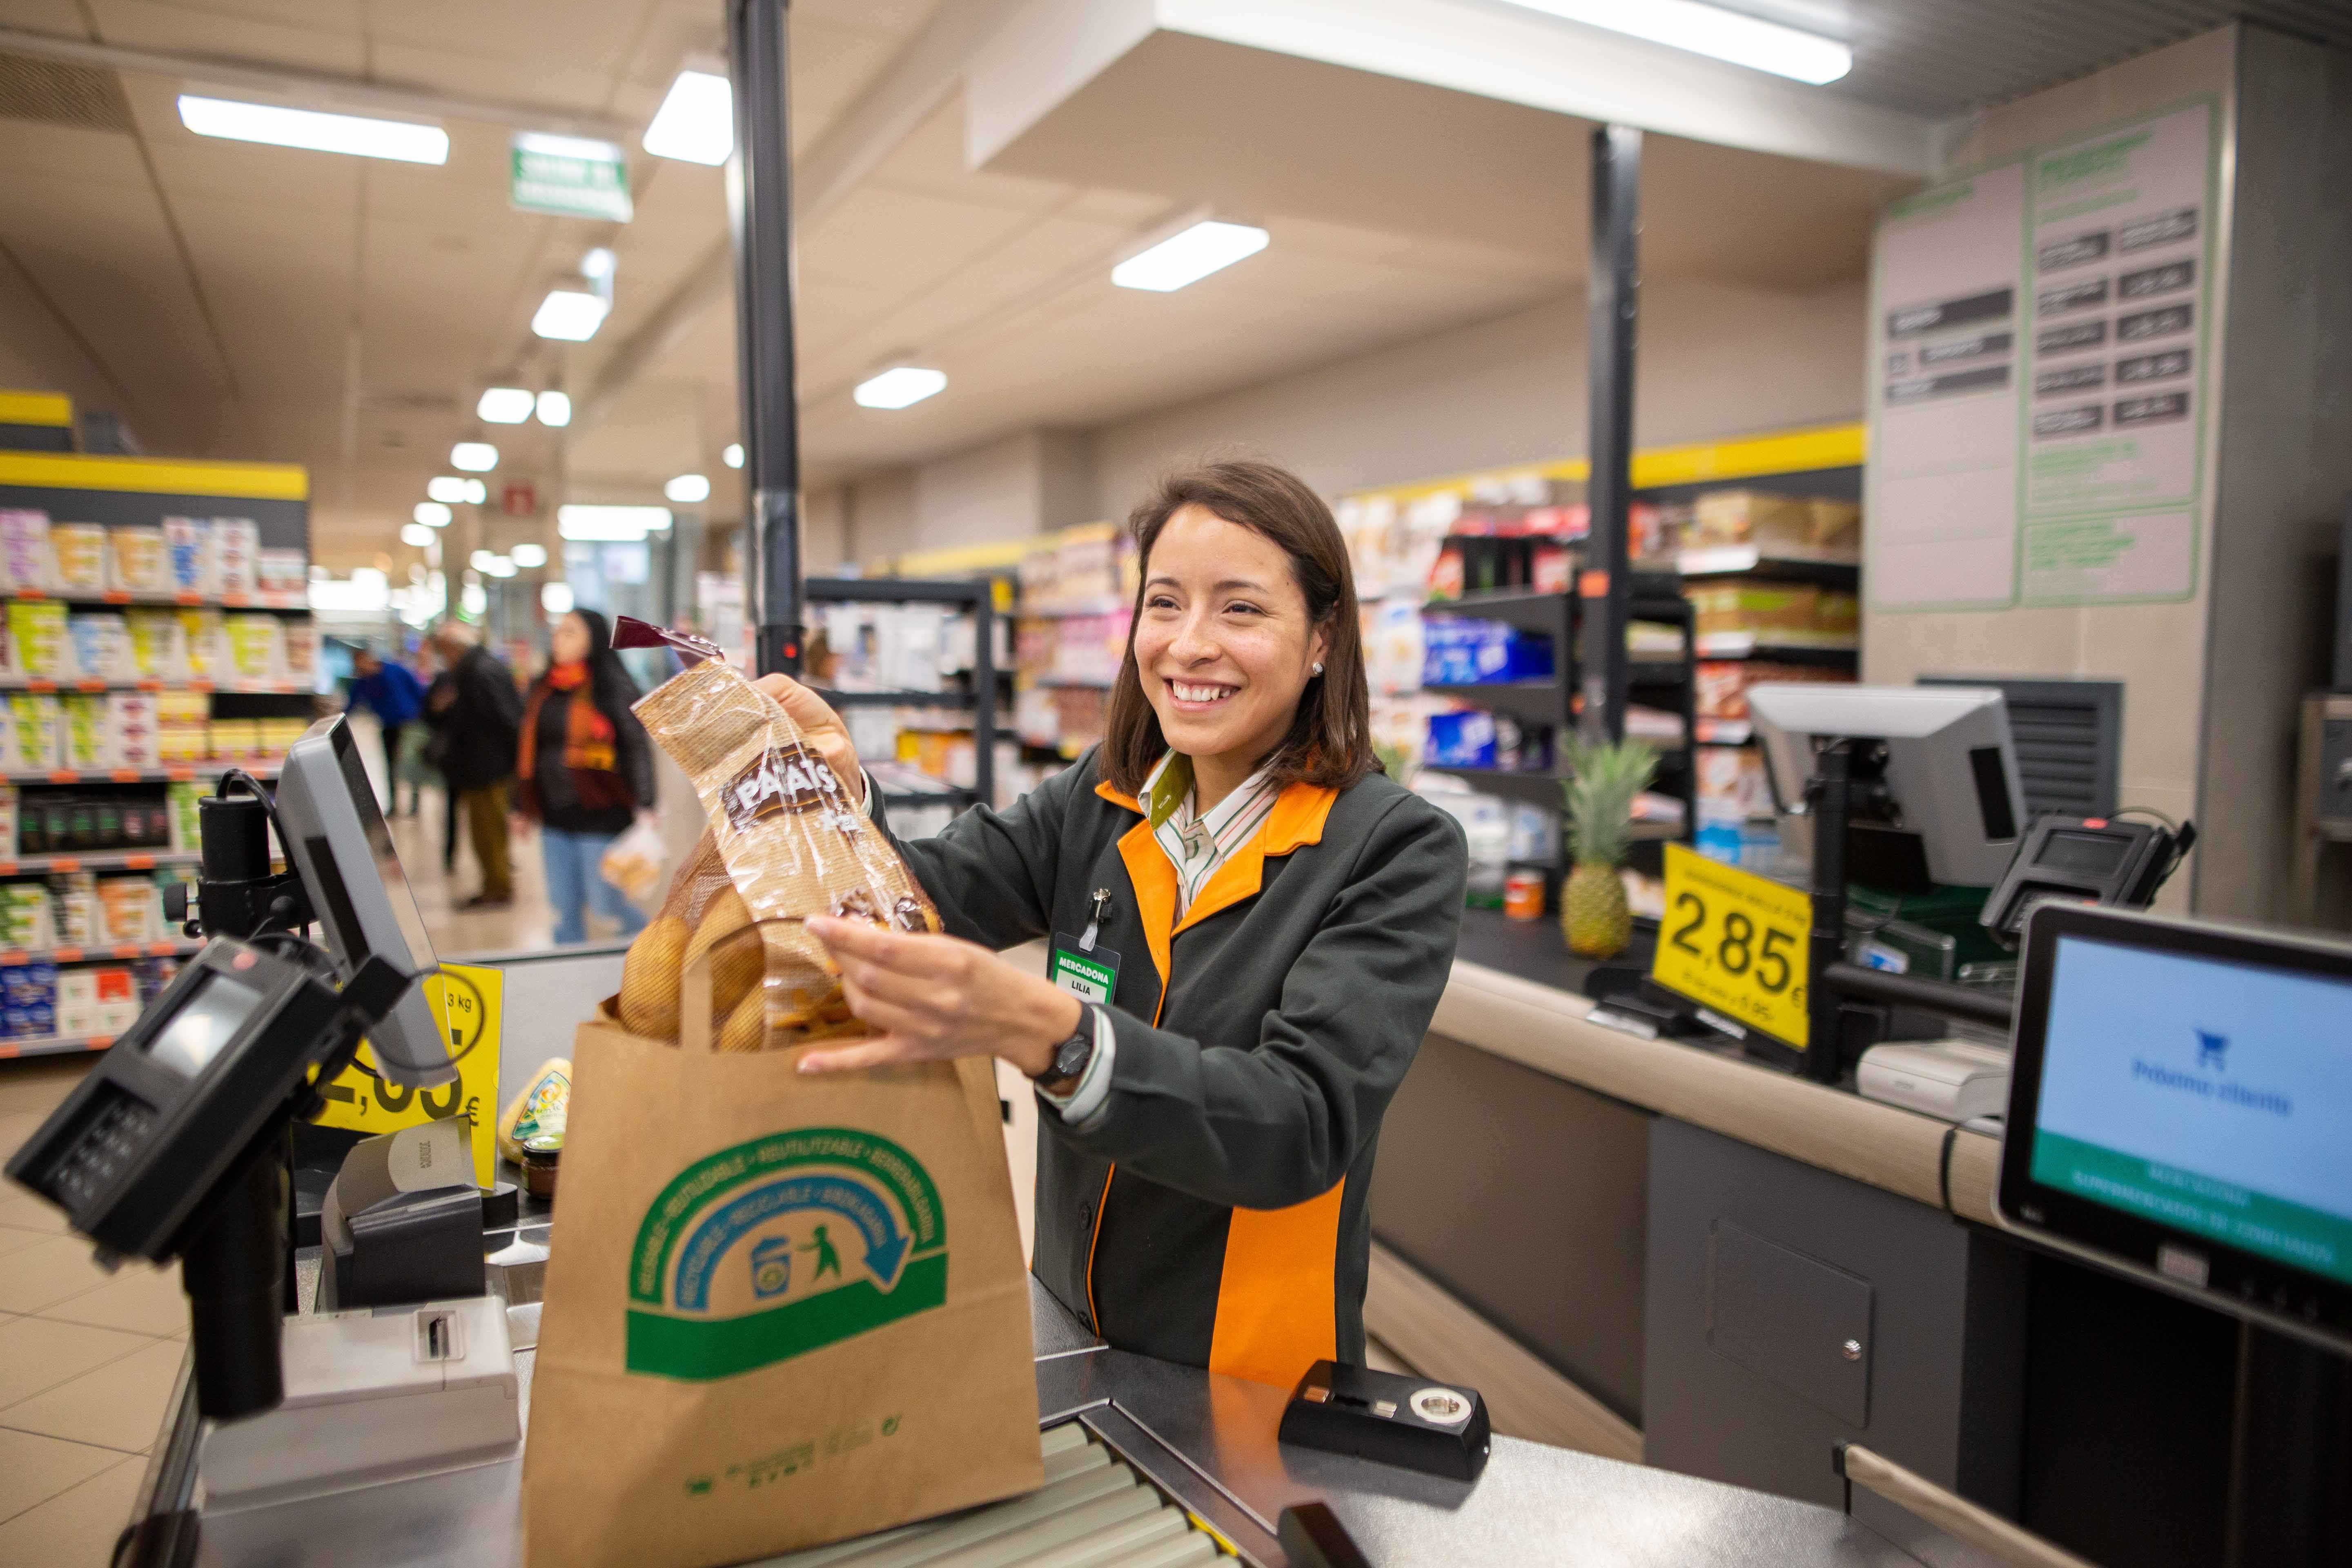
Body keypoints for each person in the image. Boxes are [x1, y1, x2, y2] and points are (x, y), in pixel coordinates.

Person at [761, 459, 1466, 1392]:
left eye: (1241, 609)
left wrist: (1053, 1033)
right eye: (1164, 603)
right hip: (1068, 1322)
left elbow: (1297, 1121)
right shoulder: (1100, 799)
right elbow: (920, 901)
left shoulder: (1391, 848)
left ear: (1322, 640)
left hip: (1249, 1372)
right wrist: (838, 795)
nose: (1189, 644)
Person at [516, 608, 655, 945]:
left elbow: (636, 747)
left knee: (607, 903)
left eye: (570, 632)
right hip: (554, 814)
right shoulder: (544, 688)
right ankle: (567, 967)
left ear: (593, 640)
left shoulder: (612, 687)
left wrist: (647, 802)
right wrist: (519, 805)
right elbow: (527, 749)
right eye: (558, 632)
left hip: (602, 812)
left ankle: (651, 948)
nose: (558, 639)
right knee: (563, 907)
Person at [423, 621, 524, 909]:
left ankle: (498, 889)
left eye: (444, 649)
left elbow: (505, 719)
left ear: (454, 647)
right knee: (486, 830)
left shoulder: (478, 671)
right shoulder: (478, 667)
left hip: (487, 766)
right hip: (482, 765)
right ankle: (494, 886)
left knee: (489, 831)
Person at [344, 645, 425, 815]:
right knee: (391, 764)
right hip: (388, 725)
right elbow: (352, 703)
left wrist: (422, 713)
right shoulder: (363, 682)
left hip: (409, 723)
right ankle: (394, 803)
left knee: (411, 761)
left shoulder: (395, 670)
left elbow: (417, 689)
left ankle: (415, 803)